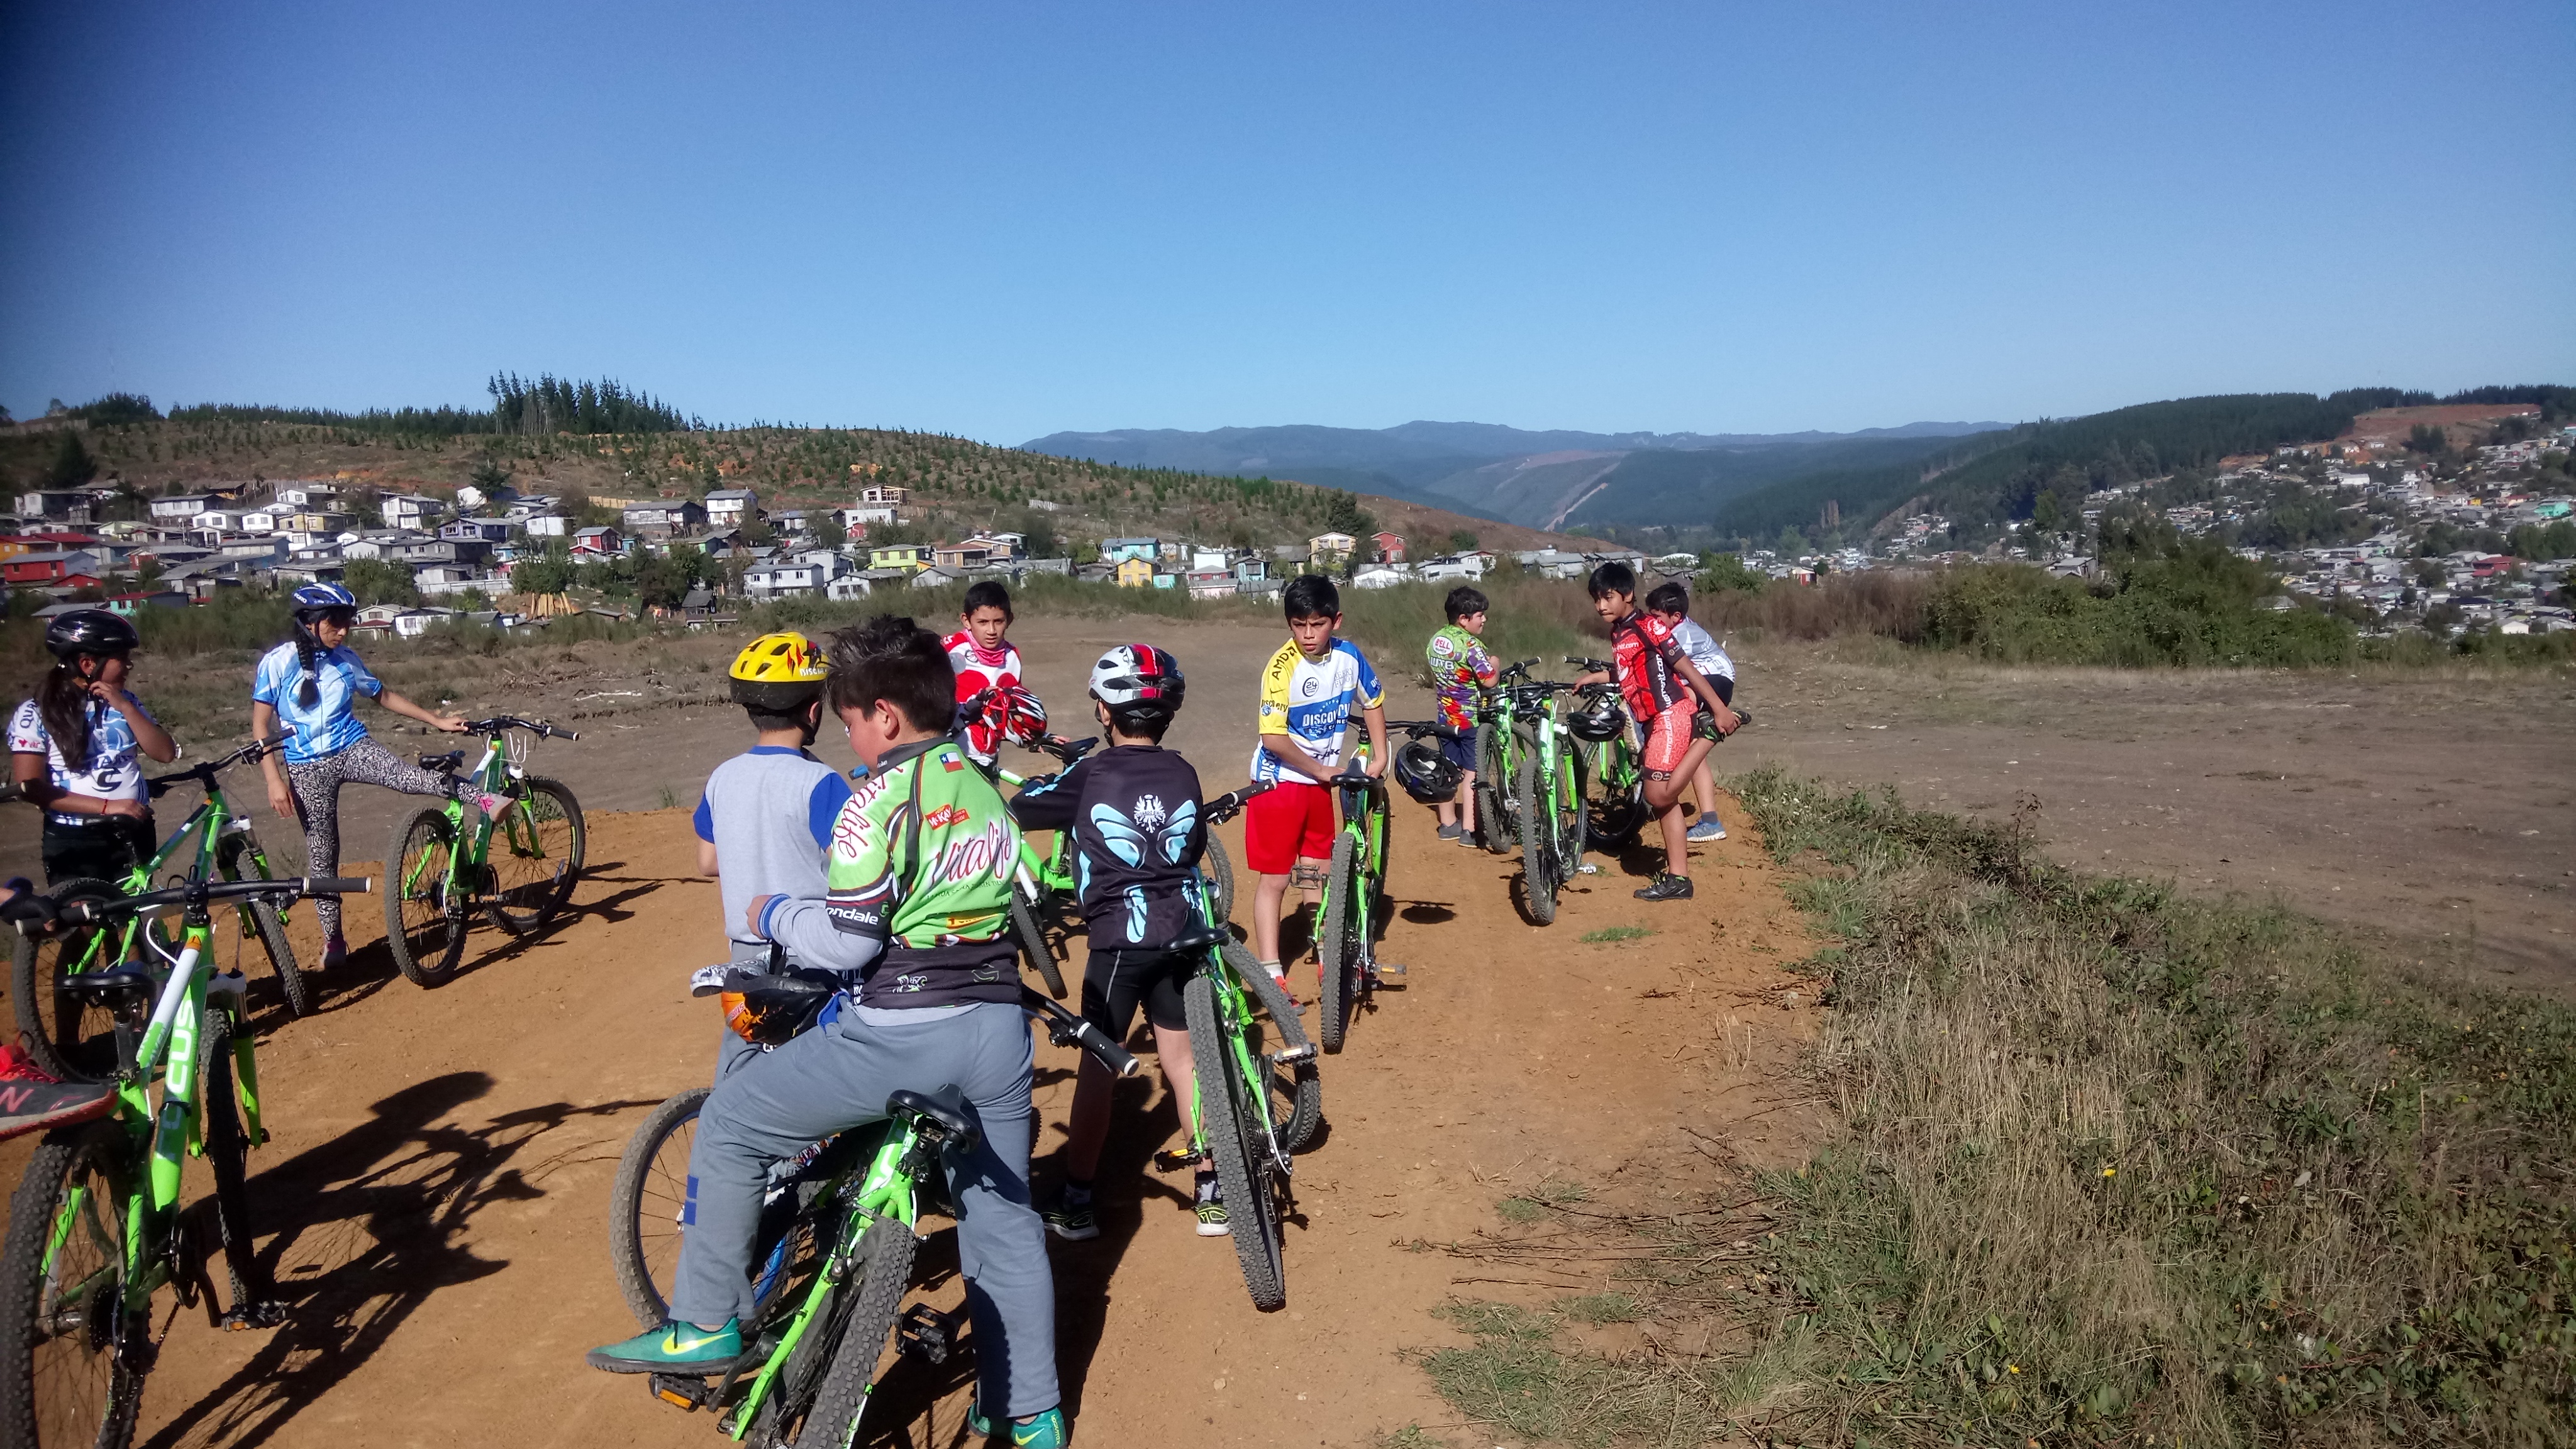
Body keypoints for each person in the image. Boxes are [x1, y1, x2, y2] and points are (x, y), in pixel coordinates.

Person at [589, 615, 1068, 1449]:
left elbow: (848, 943)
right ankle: (1029, 1410)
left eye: (850, 717)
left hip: (899, 1032)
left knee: (731, 1122)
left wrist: (775, 911)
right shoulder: (983, 785)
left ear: (884, 715)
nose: (847, 733)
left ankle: (705, 1322)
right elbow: (1037, 888)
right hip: (997, 1031)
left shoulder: (872, 803)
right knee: (1003, 1218)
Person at [1008, 645, 1228, 1240]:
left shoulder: (1092, 773)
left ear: (1105, 713)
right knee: (1182, 1062)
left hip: (1117, 944)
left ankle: (1078, 1200)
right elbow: (1193, 843)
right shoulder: (1183, 770)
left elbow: (1023, 809)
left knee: (1099, 1067)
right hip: (1179, 933)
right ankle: (1212, 1191)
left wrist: (1046, 786)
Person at [250, 583, 502, 970]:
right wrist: (273, 780)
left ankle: (485, 799)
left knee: (408, 777)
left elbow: (383, 696)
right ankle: (334, 940)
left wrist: (436, 720)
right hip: (305, 767)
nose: (344, 630)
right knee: (322, 854)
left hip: (353, 748)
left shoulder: (346, 659)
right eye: (335, 622)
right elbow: (260, 725)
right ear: (308, 622)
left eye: (348, 622)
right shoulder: (277, 662)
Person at [691, 632, 860, 1079]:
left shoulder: (723, 777)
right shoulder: (820, 782)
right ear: (814, 711)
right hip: (810, 953)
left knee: (740, 1074)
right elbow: (852, 866)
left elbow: (707, 862)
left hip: (745, 958)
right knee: (822, 1074)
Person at [1246, 575, 1387, 1000]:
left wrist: (1381, 756)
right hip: (1278, 783)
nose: (1308, 634)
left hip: (1320, 783)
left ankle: (1327, 953)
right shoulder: (1281, 667)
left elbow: (1373, 701)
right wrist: (1321, 771)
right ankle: (1272, 973)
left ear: (1335, 621)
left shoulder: (1349, 657)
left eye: (1317, 624)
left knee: (1317, 873)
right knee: (1275, 880)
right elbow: (1273, 738)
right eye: (1298, 625)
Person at [1572, 564, 1738, 901]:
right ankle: (1679, 880)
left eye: (1607, 597)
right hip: (1653, 720)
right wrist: (1596, 677)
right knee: (1665, 802)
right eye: (1596, 599)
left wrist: (1718, 708)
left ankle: (1709, 737)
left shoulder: (1650, 626)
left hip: (1670, 714)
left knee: (1657, 795)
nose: (1601, 606)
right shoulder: (1619, 633)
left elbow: (1685, 667)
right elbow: (1628, 673)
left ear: (1628, 595)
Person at [9, 609, 177, 885]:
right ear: (88, 664)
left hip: (133, 831)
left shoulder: (126, 700)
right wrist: (108, 807)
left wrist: (125, 707)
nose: (129, 666)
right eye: (122, 658)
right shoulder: (34, 713)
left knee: (137, 909)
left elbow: (165, 753)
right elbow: (31, 788)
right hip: (76, 838)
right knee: (85, 912)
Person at [1644, 582, 1736, 843]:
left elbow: (1662, 667)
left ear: (1675, 616)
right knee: (1690, 749)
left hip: (1716, 681)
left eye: (1657, 617)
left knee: (1675, 709)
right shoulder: (1675, 627)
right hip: (1708, 681)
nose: (1653, 622)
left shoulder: (1681, 635)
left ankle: (1712, 731)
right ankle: (1710, 821)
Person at [1423, 586, 1499, 845]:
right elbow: (1489, 680)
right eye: (1480, 615)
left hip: (1445, 718)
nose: (1484, 619)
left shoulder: (1436, 640)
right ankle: (1469, 829)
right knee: (1472, 772)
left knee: (1449, 768)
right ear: (1464, 619)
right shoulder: (1471, 645)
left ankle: (1447, 824)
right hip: (1469, 720)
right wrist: (1495, 663)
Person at [947, 580, 1041, 767]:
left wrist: (1038, 734)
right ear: (966, 621)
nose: (991, 631)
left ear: (1009, 620)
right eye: (982, 622)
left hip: (988, 758)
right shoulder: (948, 650)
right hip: (950, 757)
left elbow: (1011, 710)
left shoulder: (1012, 657)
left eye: (998, 622)